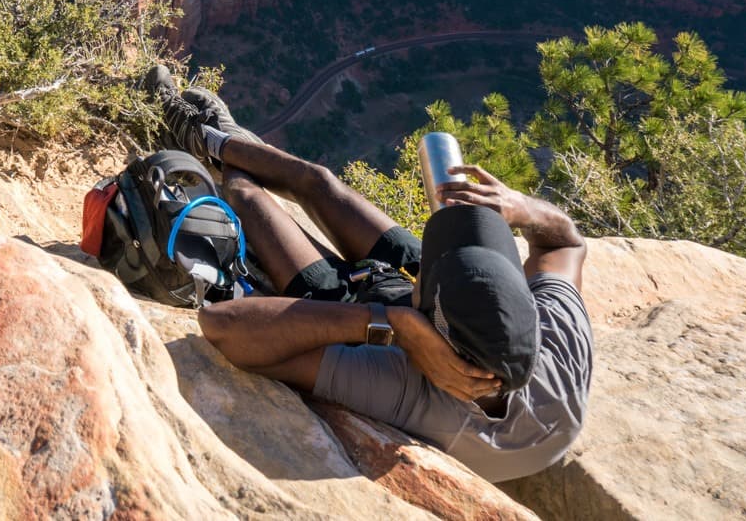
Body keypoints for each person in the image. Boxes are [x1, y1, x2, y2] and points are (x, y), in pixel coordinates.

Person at [146, 69, 593, 484]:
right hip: (423, 304)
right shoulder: (558, 353)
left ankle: (204, 139)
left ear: (435, 333)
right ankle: (221, 139)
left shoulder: (416, 396)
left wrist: (389, 325)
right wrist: (519, 207)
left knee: (246, 193)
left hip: (352, 306)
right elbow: (566, 243)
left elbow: (223, 326)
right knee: (318, 182)